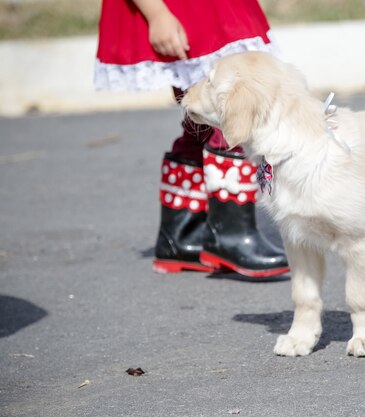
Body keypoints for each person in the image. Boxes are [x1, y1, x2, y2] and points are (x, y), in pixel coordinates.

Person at [94, 0, 289, 278]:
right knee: (227, 107)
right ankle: (230, 235)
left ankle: (182, 233)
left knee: (203, 121)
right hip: (177, 9)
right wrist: (157, 13)